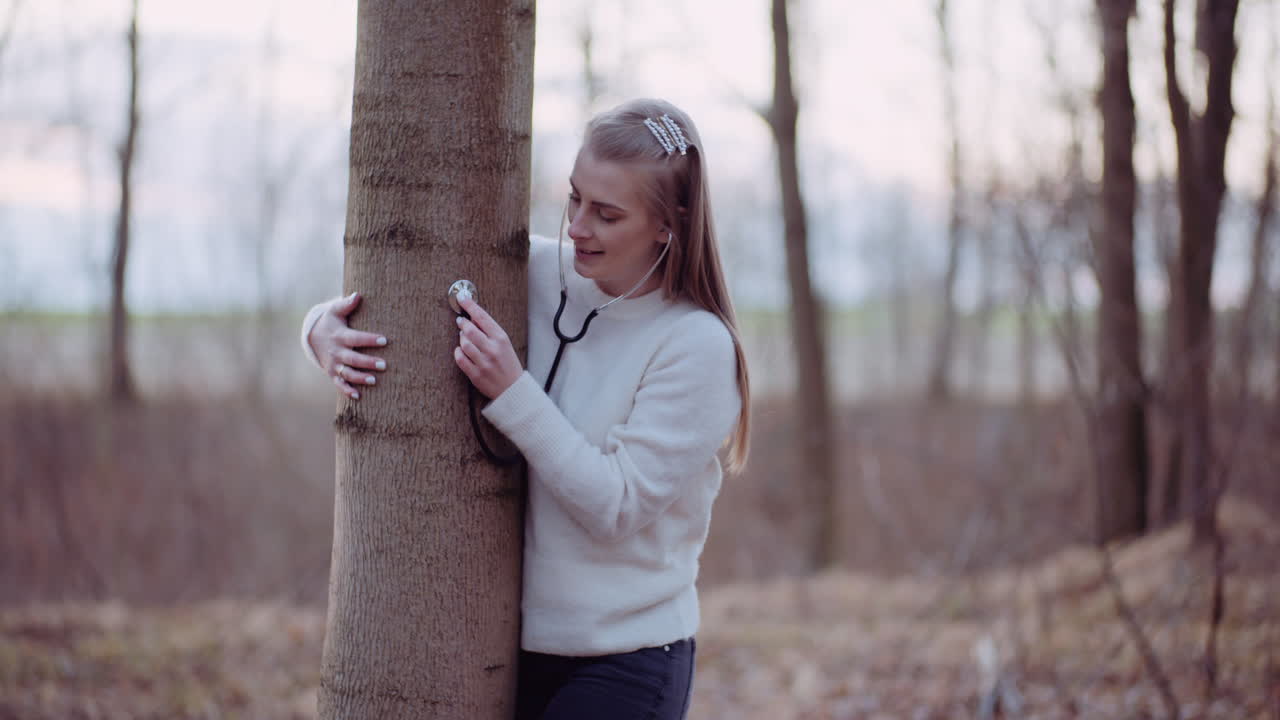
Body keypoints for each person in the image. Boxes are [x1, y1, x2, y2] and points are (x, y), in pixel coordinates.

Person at [300, 98, 750, 720]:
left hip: (626, 661)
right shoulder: (536, 271)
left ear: (668, 225)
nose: (578, 227)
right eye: (574, 199)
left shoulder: (697, 345)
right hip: (507, 652)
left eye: (607, 214)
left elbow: (617, 506)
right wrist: (320, 329)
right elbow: (394, 286)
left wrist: (511, 391)